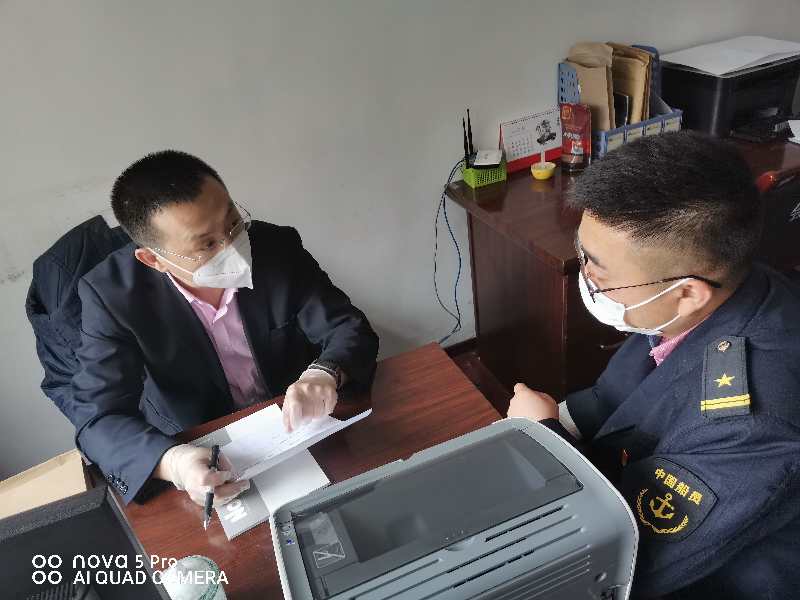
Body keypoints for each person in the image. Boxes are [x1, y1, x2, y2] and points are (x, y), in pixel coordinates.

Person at [507, 131, 800, 599]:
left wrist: (545, 439)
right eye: (583, 252)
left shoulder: (749, 426)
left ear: (687, 293)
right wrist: (553, 420)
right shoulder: (710, 294)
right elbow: (617, 396)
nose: (586, 276)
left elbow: (624, 561)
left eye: (599, 270)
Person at [70, 150, 379, 507]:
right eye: (206, 244)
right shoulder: (112, 297)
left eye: (233, 223)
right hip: (200, 442)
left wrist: (324, 373)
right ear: (154, 259)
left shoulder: (275, 247)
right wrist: (175, 463)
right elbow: (98, 418)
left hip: (299, 422)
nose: (233, 247)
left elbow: (347, 326)